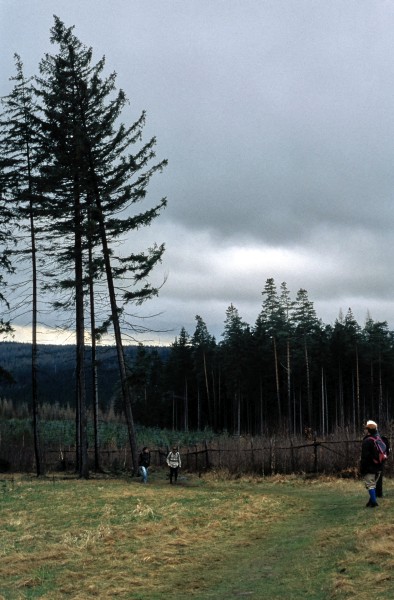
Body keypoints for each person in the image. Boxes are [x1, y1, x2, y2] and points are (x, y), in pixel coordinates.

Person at [360, 420, 383, 507]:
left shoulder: (367, 441)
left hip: (369, 467)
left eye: (366, 429)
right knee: (373, 484)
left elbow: (365, 457)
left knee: (370, 485)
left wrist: (362, 468)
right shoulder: (378, 438)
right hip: (379, 466)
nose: (365, 430)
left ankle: (374, 503)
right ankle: (371, 501)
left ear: (368, 430)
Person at [376, 433, 390, 498]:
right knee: (379, 477)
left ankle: (375, 493)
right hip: (381, 461)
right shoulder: (384, 440)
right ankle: (380, 493)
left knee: (374, 477)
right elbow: (388, 451)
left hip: (374, 461)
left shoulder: (373, 440)